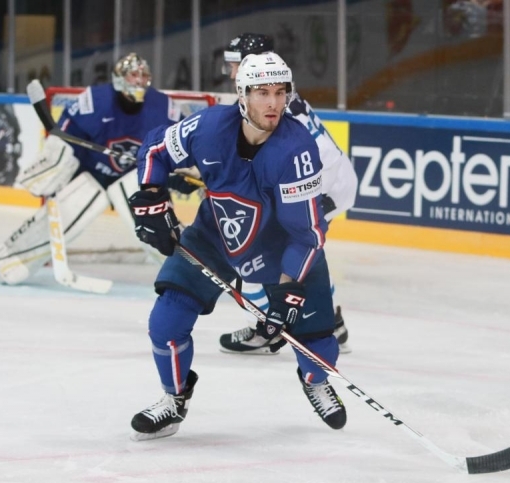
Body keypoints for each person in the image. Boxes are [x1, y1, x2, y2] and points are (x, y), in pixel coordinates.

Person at [127, 52, 347, 441]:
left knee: (317, 342)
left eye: (281, 92)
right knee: (166, 321)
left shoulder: (296, 151)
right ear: (241, 95)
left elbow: (306, 235)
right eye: (262, 92)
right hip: (214, 236)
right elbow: (156, 150)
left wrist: (287, 289)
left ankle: (314, 382)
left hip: (282, 250)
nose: (274, 103)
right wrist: (150, 196)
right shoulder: (210, 126)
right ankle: (173, 399)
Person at [218, 33, 359, 355]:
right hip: (332, 184)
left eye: (234, 65)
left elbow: (323, 156)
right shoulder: (276, 95)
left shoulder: (276, 104)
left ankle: (268, 325)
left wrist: (301, 202)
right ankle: (331, 323)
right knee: (293, 253)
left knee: (260, 253)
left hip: (327, 187)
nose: (230, 73)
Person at [0, 53, 182, 283]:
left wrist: (179, 174)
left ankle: (183, 272)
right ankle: (12, 260)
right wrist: (55, 166)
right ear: (119, 78)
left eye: (143, 76)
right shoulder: (95, 101)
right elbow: (66, 139)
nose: (139, 81)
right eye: (133, 75)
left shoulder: (164, 108)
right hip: (94, 175)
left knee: (154, 219)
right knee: (71, 206)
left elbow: (181, 146)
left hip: (139, 180)